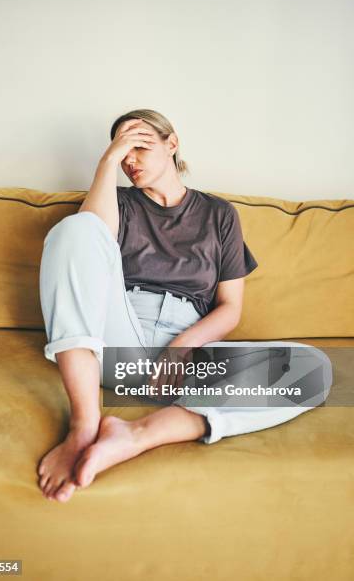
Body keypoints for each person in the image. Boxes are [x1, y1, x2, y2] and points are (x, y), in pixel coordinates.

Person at [36, 108, 320, 503]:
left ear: (172, 143)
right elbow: (87, 238)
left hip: (188, 351)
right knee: (75, 228)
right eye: (121, 152)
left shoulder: (219, 214)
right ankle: (84, 425)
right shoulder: (116, 203)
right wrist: (106, 163)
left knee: (313, 367)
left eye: (138, 145)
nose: (129, 160)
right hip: (116, 341)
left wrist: (178, 349)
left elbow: (230, 308)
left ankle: (137, 435)